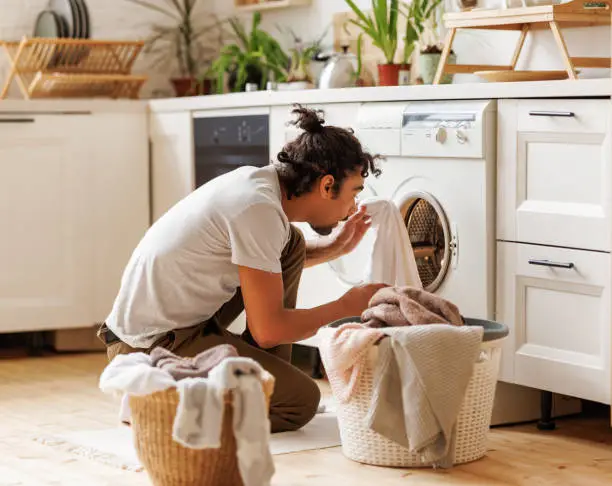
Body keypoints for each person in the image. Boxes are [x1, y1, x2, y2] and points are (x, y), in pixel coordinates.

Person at [97, 104, 386, 433]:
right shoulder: (258, 209)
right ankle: (159, 409)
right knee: (300, 402)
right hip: (151, 345)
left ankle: (264, 379)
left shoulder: (260, 187)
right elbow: (269, 330)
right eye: (353, 193)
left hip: (179, 324)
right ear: (326, 185)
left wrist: (337, 248)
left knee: (290, 244)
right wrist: (346, 307)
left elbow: (261, 261)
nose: (352, 208)